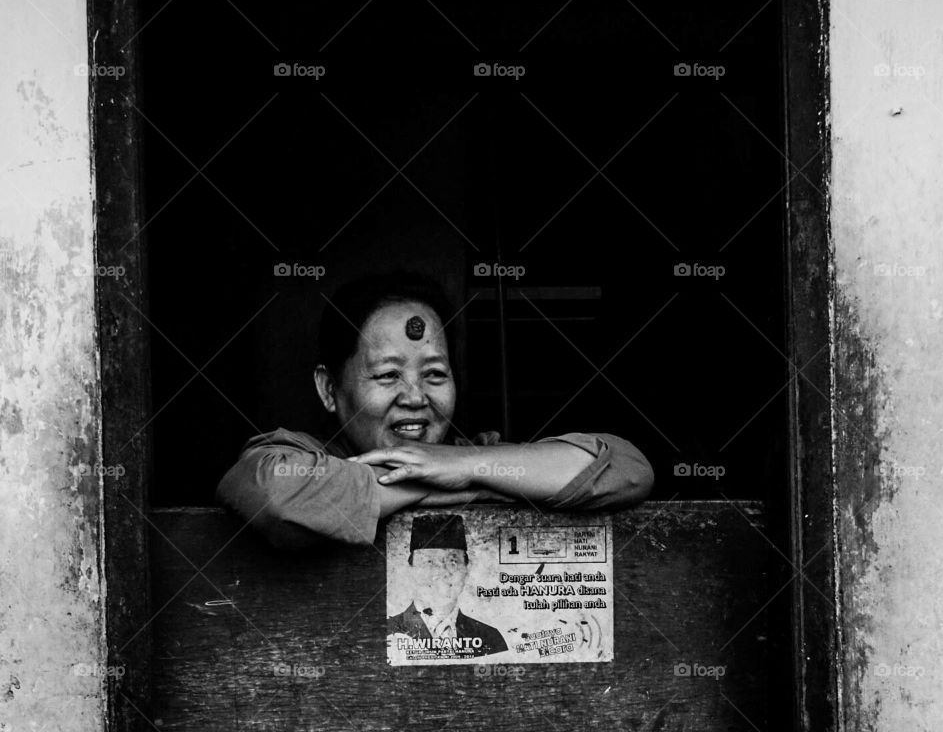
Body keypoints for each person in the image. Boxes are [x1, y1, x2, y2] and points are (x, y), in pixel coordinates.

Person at [216, 271, 655, 549]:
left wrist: (465, 464)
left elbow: (628, 469)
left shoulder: (474, 455)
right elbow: (276, 497)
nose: (415, 397)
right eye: (388, 375)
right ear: (330, 389)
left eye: (435, 374)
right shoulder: (294, 457)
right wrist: (476, 481)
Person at [386, 513, 507, 658]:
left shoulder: (491, 639)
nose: (440, 573)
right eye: (428, 562)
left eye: (452, 562)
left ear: (467, 569)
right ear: (410, 570)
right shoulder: (388, 632)